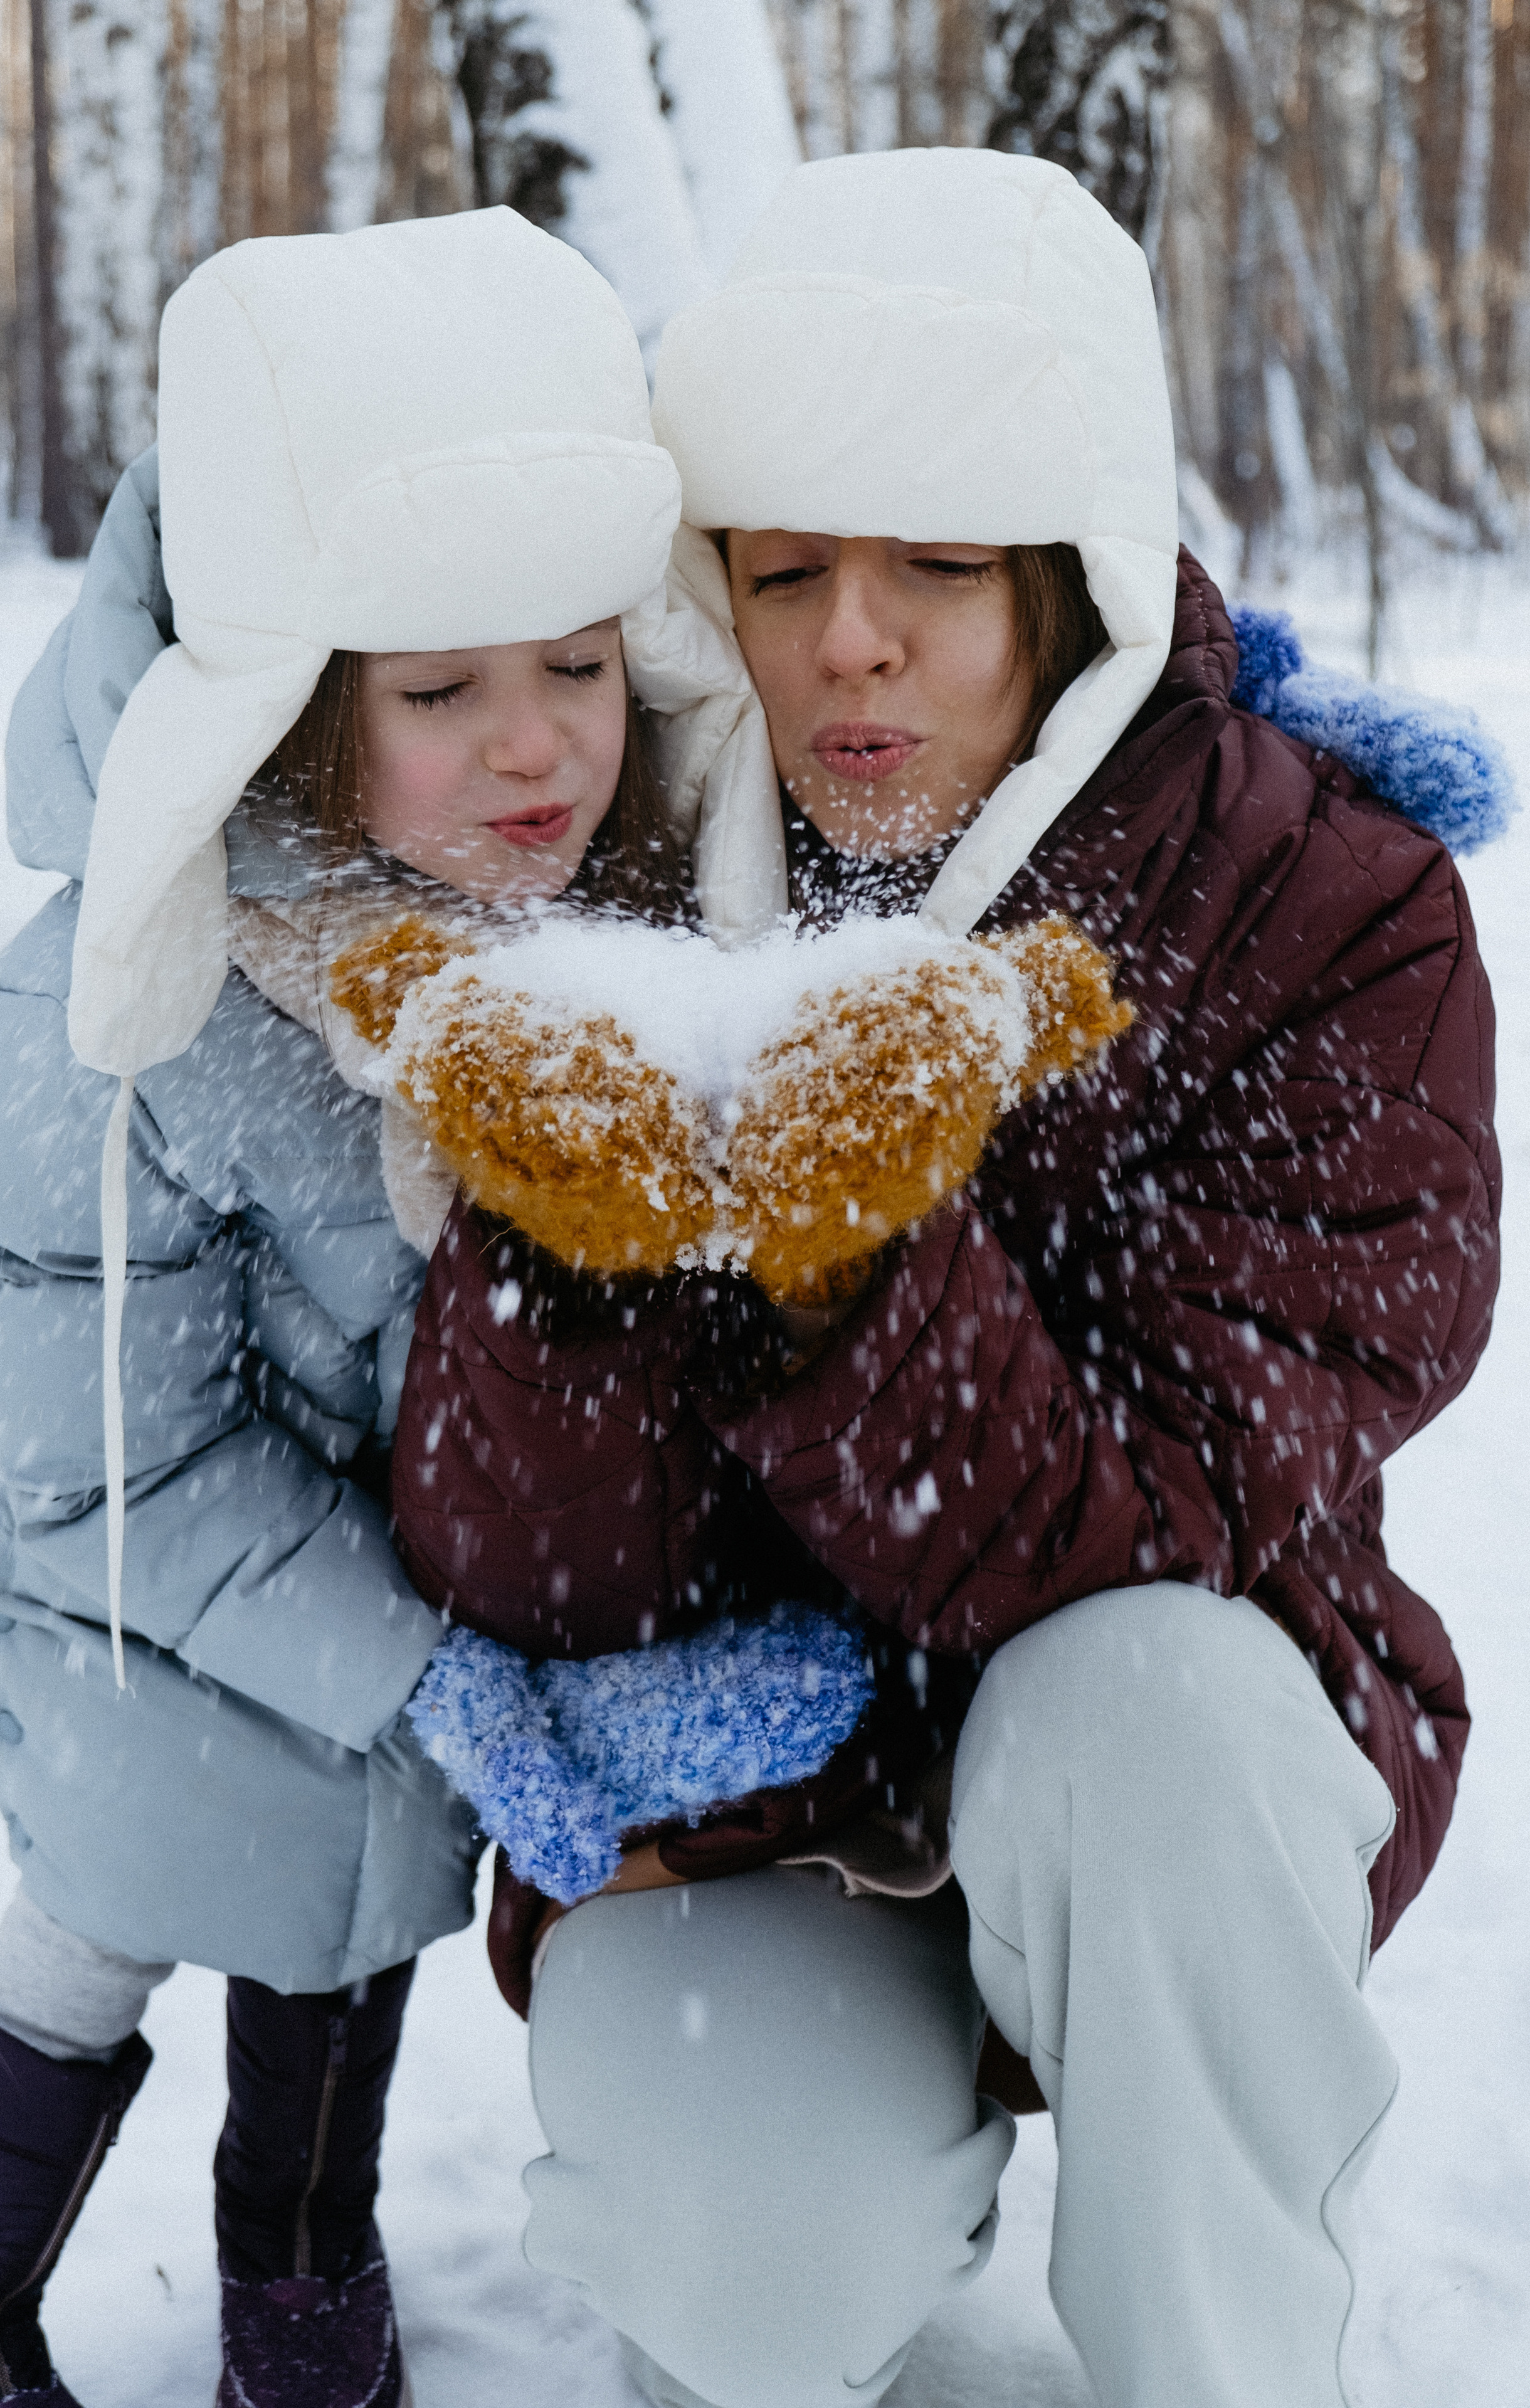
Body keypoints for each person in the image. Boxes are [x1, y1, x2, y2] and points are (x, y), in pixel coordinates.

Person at [393, 150, 1499, 2408]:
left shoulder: (1324, 910)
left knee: (1149, 1704)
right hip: (753, 1829)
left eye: (936, 563)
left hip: (1173, 1801)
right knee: (738, 2249)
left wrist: (850, 1246)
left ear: (1073, 577)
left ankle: (1226, 2363)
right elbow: (527, 1572)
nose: (848, 641)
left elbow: (1167, 1506)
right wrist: (567, 1241)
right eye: (783, 569)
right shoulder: (600, 892)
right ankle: (806, 2238)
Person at [0, 205, 769, 2408]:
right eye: (439, 693)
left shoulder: (587, 948)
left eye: (577, 668)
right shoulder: (123, 1009)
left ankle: (301, 2282)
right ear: (291, 704)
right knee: (93, 1944)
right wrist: (426, 1664)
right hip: (154, 1613)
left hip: (415, 1630)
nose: (534, 755)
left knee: (347, 1953)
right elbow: (109, 1459)